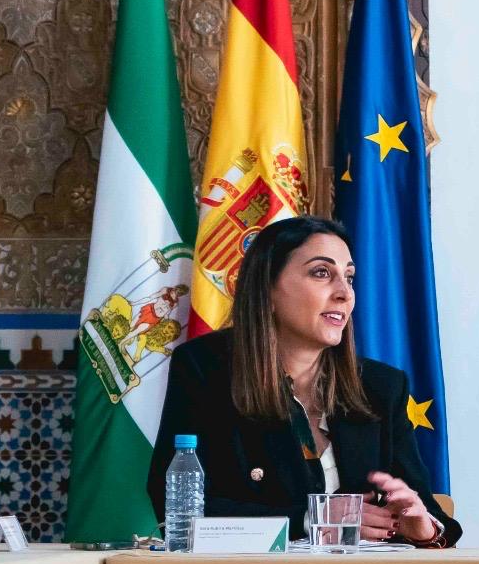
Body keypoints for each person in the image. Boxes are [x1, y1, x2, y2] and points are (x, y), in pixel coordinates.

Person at [147, 216, 460, 546]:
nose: (344, 293)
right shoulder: (205, 368)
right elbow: (179, 514)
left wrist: (426, 528)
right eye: (322, 273)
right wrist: (314, 520)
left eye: (349, 278)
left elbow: (429, 511)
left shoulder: (382, 387)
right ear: (267, 287)